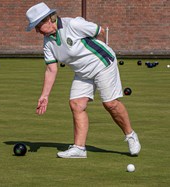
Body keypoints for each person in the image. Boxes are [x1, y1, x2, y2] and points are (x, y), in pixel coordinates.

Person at [25, 2, 141, 158]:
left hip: (102, 63)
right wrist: (44, 95)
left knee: (110, 103)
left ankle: (130, 135)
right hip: (82, 72)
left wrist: (101, 47)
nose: (37, 31)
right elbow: (51, 69)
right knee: (76, 104)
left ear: (47, 20)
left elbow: (98, 31)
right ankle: (79, 149)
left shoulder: (73, 24)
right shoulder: (47, 43)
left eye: (37, 27)